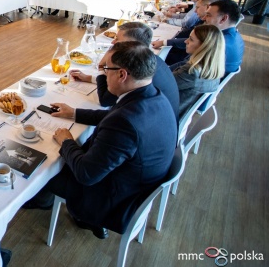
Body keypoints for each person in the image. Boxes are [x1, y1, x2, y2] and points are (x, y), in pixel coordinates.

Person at [30, 42, 176, 238]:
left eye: (106, 69)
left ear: (122, 74)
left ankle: (44, 202)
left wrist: (67, 141)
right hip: (135, 181)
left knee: (45, 165)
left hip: (113, 200)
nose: (104, 74)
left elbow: (86, 174)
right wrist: (74, 113)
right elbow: (113, 116)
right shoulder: (153, 95)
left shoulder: (124, 122)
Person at [70, 21, 179, 122]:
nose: (113, 42)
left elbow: (106, 101)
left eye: (118, 40)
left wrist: (102, 67)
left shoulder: (137, 68)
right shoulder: (150, 60)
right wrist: (90, 78)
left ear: (132, 44)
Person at [172, 25, 225, 118]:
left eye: (191, 39)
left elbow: (161, 85)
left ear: (203, 46)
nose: (186, 41)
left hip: (170, 113)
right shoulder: (213, 68)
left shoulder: (191, 71)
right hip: (182, 111)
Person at [155, 0, 219, 66]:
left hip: (180, 54)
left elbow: (186, 24)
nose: (195, 11)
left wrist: (165, 42)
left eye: (197, 7)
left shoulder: (210, 31)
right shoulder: (204, 22)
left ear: (207, 7)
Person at [204, 0, 244, 75]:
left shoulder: (218, 42)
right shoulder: (235, 35)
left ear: (223, 19)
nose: (204, 18)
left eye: (208, 15)